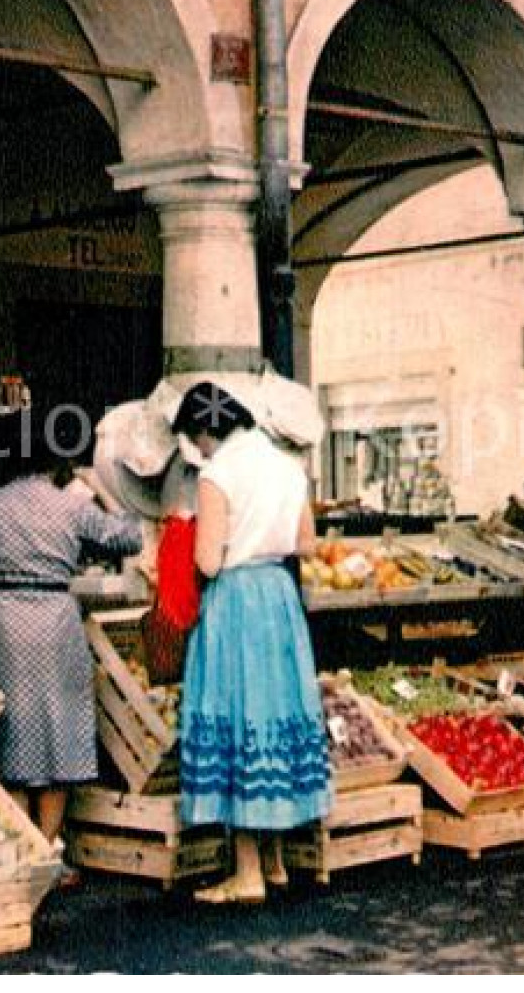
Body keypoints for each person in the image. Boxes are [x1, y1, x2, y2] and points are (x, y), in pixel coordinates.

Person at [0, 406, 142, 846]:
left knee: (11, 732)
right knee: (58, 729)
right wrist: (101, 492)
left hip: (4, 620)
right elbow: (129, 536)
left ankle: (20, 845)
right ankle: (49, 844)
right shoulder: (70, 506)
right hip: (56, 619)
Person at [173, 381, 331, 905]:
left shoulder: (218, 474)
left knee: (239, 715)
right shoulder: (288, 467)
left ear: (203, 431)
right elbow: (306, 541)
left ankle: (245, 874)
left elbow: (208, 561)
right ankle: (275, 861)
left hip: (235, 601)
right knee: (273, 715)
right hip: (278, 596)